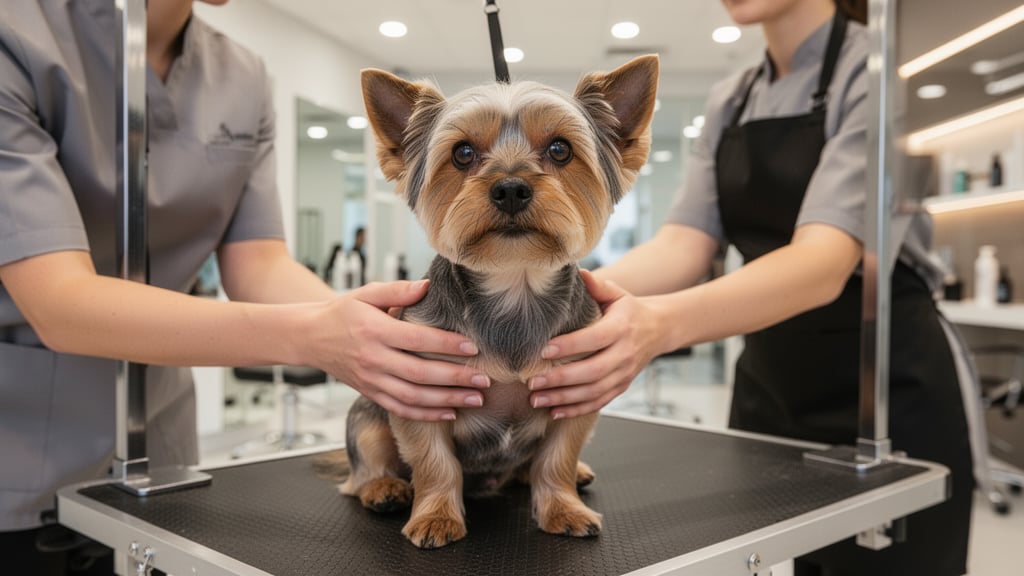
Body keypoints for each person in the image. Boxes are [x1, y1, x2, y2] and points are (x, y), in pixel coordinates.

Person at [0, 1, 489, 573]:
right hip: (20, 440)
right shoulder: (17, 36)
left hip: (162, 438)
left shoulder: (241, 75)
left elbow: (257, 264)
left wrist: (371, 325)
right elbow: (59, 304)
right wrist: (317, 337)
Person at [528, 1, 974, 574]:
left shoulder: (884, 72)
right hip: (771, 383)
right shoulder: (733, 96)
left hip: (881, 387)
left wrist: (653, 327)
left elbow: (824, 263)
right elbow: (683, 245)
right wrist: (558, 296)